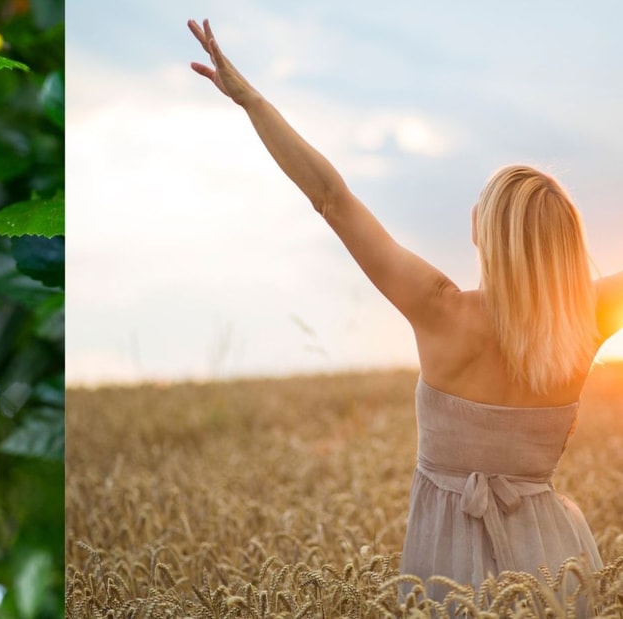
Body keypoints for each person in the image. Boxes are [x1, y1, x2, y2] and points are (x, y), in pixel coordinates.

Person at [188, 18, 611, 602]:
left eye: (480, 203)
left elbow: (331, 199)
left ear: (487, 232)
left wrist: (252, 101)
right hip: (555, 568)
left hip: (447, 569)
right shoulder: (583, 319)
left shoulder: (439, 311)